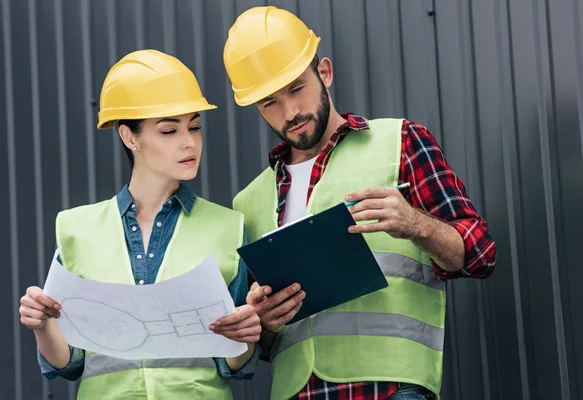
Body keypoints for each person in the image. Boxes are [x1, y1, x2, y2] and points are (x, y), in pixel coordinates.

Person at [223, 6, 496, 400]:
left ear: (326, 73)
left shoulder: (399, 141)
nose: (290, 112)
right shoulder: (248, 201)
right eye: (269, 102)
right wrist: (263, 322)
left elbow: (481, 254)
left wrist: (414, 223)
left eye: (296, 88)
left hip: (390, 389)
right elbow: (260, 347)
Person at [18, 49, 261, 399]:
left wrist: (246, 336)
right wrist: (41, 325)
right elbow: (68, 364)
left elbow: (235, 366)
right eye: (169, 130)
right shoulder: (77, 230)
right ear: (129, 137)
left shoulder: (228, 227)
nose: (189, 141)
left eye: (194, 126)